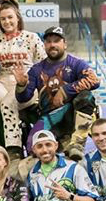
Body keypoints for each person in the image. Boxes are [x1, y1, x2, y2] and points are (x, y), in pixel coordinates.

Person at [14, 26, 99, 160]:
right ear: (44, 45)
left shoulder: (76, 63)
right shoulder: (36, 70)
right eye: (48, 41)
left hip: (72, 115)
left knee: (86, 96)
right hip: (49, 117)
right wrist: (21, 85)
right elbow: (24, 98)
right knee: (32, 148)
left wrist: (65, 91)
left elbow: (94, 80)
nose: (52, 44)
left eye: (56, 41)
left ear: (64, 44)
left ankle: (77, 144)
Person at [0, 0, 45, 157]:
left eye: (10, 17)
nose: (7, 21)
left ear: (17, 18)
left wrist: (35, 83)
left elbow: (43, 63)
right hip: (3, 80)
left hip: (26, 82)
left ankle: (14, 149)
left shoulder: (31, 37)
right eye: (3, 19)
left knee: (7, 103)